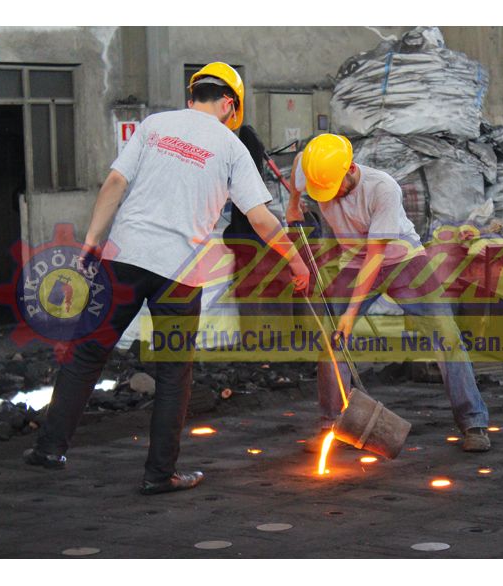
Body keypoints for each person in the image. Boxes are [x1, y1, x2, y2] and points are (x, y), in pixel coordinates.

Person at [24, 62, 310, 494]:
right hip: (181, 272)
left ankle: (49, 449)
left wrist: (92, 241)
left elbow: (114, 183)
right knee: (174, 373)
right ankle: (159, 474)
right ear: (229, 104)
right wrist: (297, 261)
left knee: (86, 354)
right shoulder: (231, 148)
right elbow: (260, 218)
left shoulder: (154, 126)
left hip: (124, 257)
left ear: (191, 96)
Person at [286, 134, 491, 453]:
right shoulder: (315, 170)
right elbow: (299, 165)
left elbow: (375, 256)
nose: (330, 195)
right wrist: (293, 205)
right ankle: (332, 425)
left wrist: (350, 315)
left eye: (334, 187)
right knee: (332, 339)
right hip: (354, 261)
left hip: (402, 260)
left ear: (350, 168)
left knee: (446, 336)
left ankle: (473, 422)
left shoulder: (383, 188)